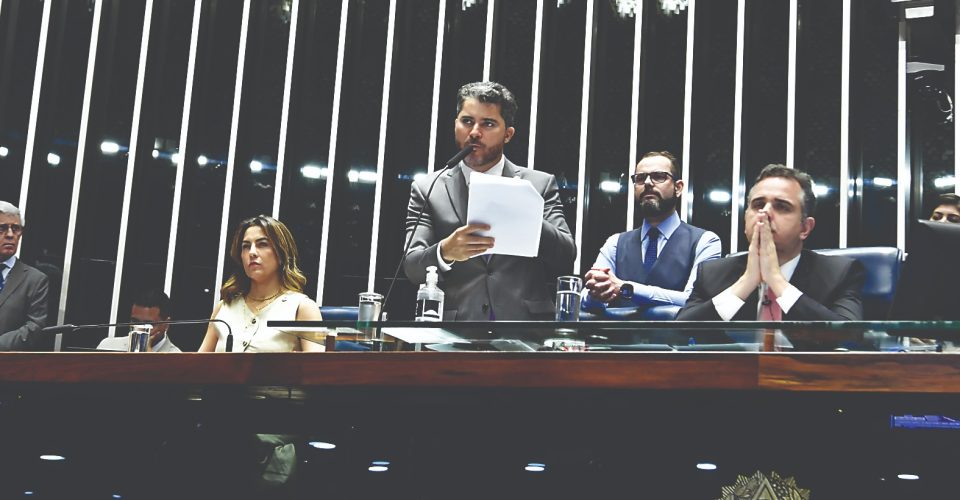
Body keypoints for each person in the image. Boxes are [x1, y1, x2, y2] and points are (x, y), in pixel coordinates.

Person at [402, 81, 576, 320]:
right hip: (454, 331)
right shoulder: (428, 188)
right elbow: (412, 267)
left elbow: (566, 256)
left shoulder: (538, 185)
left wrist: (527, 214)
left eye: (488, 124)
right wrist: (445, 251)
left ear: (508, 134)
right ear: (455, 125)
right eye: (467, 121)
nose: (474, 132)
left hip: (525, 330)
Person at [677, 165, 865, 321]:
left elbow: (851, 338)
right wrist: (745, 283)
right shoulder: (711, 274)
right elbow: (676, 337)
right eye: (758, 205)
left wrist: (776, 280)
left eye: (782, 207)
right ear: (745, 220)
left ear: (805, 228)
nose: (764, 213)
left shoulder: (839, 273)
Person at [583, 151, 721, 312]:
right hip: (618, 337)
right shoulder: (615, 243)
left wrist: (627, 289)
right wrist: (597, 292)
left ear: (678, 188)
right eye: (640, 178)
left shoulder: (705, 241)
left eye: (659, 176)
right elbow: (586, 299)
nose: (648, 183)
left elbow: (695, 302)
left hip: (677, 337)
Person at [199, 215, 324, 352]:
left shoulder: (302, 307)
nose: (252, 252)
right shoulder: (224, 306)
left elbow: (318, 370)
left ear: (281, 253)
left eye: (262, 244)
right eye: (246, 247)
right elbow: (198, 366)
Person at [0, 201, 49, 350]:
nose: (10, 235)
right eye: (2, 228)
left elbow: (35, 326)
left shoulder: (35, 280)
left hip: (8, 366)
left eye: (15, 229)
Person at [96, 289, 181, 352]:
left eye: (148, 325)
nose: (139, 329)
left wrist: (152, 360)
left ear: (166, 325)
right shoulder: (108, 346)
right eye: (135, 322)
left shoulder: (178, 359)